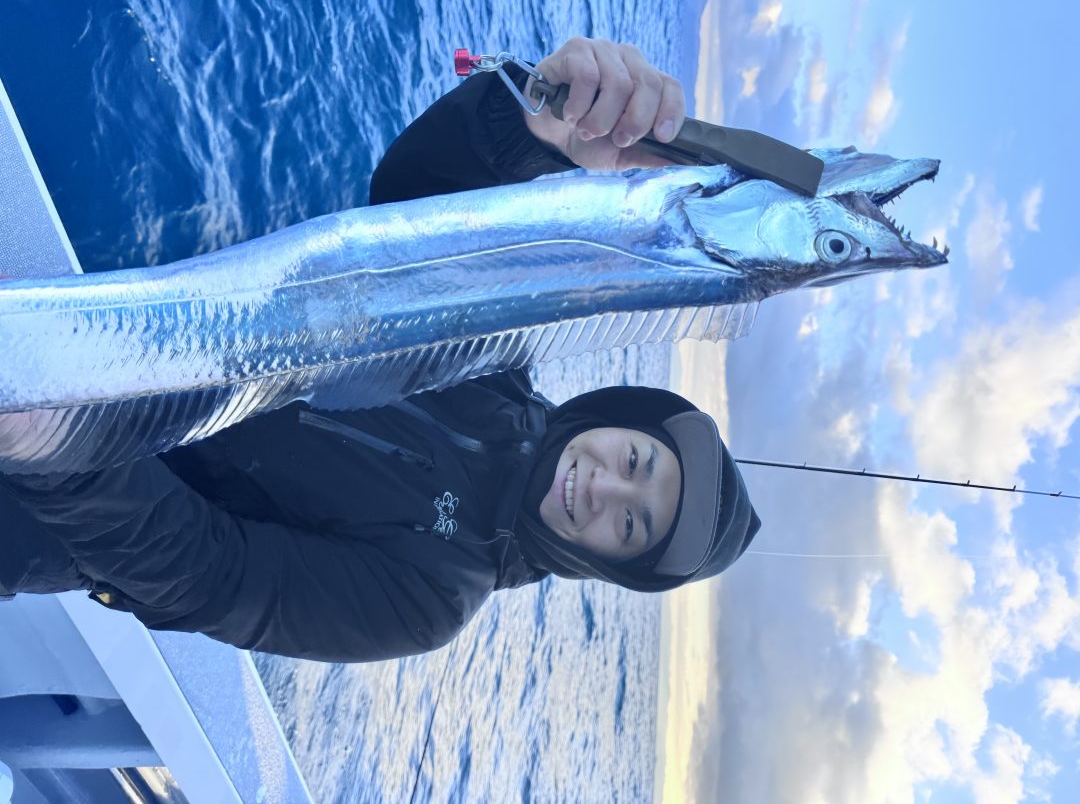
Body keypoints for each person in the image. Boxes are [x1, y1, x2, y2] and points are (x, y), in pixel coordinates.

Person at [0, 38, 760, 663]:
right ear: (626, 420)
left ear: (606, 564)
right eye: (637, 462)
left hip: (39, 500)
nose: (606, 490)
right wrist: (535, 136)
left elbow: (209, 574)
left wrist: (61, 445)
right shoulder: (493, 362)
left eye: (629, 527)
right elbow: (418, 197)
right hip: (90, 339)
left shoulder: (432, 597)